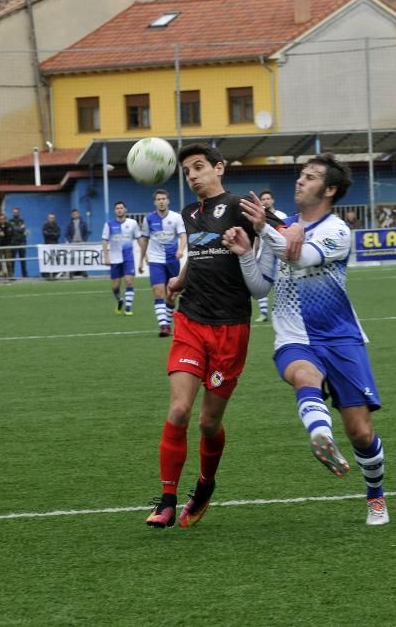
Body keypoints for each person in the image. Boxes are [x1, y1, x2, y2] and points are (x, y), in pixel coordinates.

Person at [223, 154, 389, 526]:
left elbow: (302, 258)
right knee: (302, 375)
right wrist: (246, 254)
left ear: (329, 190)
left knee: (361, 432)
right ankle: (319, 434)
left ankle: (376, 496)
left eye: (310, 177)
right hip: (294, 336)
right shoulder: (282, 227)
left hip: (341, 337)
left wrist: (267, 229)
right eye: (301, 174)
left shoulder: (338, 231)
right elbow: (259, 288)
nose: (300, 181)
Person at [145, 143, 287, 529]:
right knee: (178, 410)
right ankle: (167, 499)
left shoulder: (241, 204)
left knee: (209, 423)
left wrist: (267, 230)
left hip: (231, 327)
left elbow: (288, 230)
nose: (191, 175)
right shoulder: (190, 213)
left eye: (198, 167)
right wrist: (179, 279)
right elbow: (198, 251)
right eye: (186, 171)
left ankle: (205, 485)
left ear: (219, 168)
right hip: (191, 320)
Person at [139, 189, 187, 334]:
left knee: (171, 295)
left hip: (173, 260)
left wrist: (180, 250)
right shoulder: (149, 219)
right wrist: (141, 259)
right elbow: (144, 240)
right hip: (155, 260)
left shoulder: (176, 217)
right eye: (158, 199)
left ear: (168, 201)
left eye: (163, 198)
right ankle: (164, 326)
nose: (161, 201)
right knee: (158, 291)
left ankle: (167, 320)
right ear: (155, 202)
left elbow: (183, 236)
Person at [101, 201, 142, 316]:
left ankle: (128, 308)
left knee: (129, 281)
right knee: (115, 286)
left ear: (125, 210)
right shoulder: (109, 224)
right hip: (115, 258)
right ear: (115, 211)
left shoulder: (133, 223)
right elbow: (104, 240)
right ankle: (119, 300)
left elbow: (139, 238)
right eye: (117, 208)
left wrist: (145, 255)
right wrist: (106, 256)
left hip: (128, 258)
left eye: (121, 208)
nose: (119, 210)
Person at [254, 190, 286, 323]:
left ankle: (278, 310)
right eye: (263, 199)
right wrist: (254, 254)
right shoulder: (258, 216)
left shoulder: (281, 215)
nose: (266, 201)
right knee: (261, 284)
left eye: (268, 198)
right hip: (264, 255)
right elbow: (256, 238)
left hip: (280, 256)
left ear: (272, 200)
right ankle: (263, 313)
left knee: (281, 283)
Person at [65, 208, 90, 278]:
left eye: (76, 213)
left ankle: (83, 272)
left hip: (81, 242)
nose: (75, 215)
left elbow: (86, 232)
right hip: (73, 243)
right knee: (73, 258)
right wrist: (70, 241)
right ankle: (72, 272)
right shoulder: (70, 224)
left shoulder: (83, 223)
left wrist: (84, 240)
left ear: (78, 214)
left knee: (82, 257)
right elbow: (66, 234)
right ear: (71, 215)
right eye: (73, 214)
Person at [8, 207, 29, 278]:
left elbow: (23, 229)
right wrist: (19, 228)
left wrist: (17, 229)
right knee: (12, 261)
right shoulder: (10, 221)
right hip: (13, 243)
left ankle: (25, 276)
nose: (15, 213)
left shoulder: (22, 220)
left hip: (22, 243)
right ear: (12, 213)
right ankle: (12, 275)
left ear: (19, 213)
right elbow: (12, 230)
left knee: (23, 260)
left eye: (16, 212)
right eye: (14, 212)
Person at [41, 213, 62, 280]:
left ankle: (55, 274)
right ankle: (47, 275)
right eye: (50, 218)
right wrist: (53, 234)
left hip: (55, 245)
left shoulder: (57, 226)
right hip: (47, 246)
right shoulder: (45, 226)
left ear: (54, 219)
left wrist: (50, 234)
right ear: (48, 218)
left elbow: (57, 235)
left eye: (52, 218)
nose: (51, 219)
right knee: (48, 260)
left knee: (55, 260)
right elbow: (45, 235)